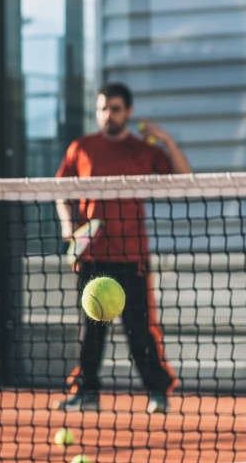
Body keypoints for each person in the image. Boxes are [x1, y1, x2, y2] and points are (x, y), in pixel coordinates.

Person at [52, 82, 190, 414]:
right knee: (91, 331)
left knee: (140, 329)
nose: (108, 115)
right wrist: (68, 225)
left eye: (115, 109)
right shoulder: (81, 148)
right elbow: (60, 190)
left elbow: (184, 179)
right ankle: (86, 393)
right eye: (103, 109)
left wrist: (166, 140)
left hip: (132, 256)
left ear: (127, 111)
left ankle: (158, 393)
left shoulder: (144, 150)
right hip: (92, 256)